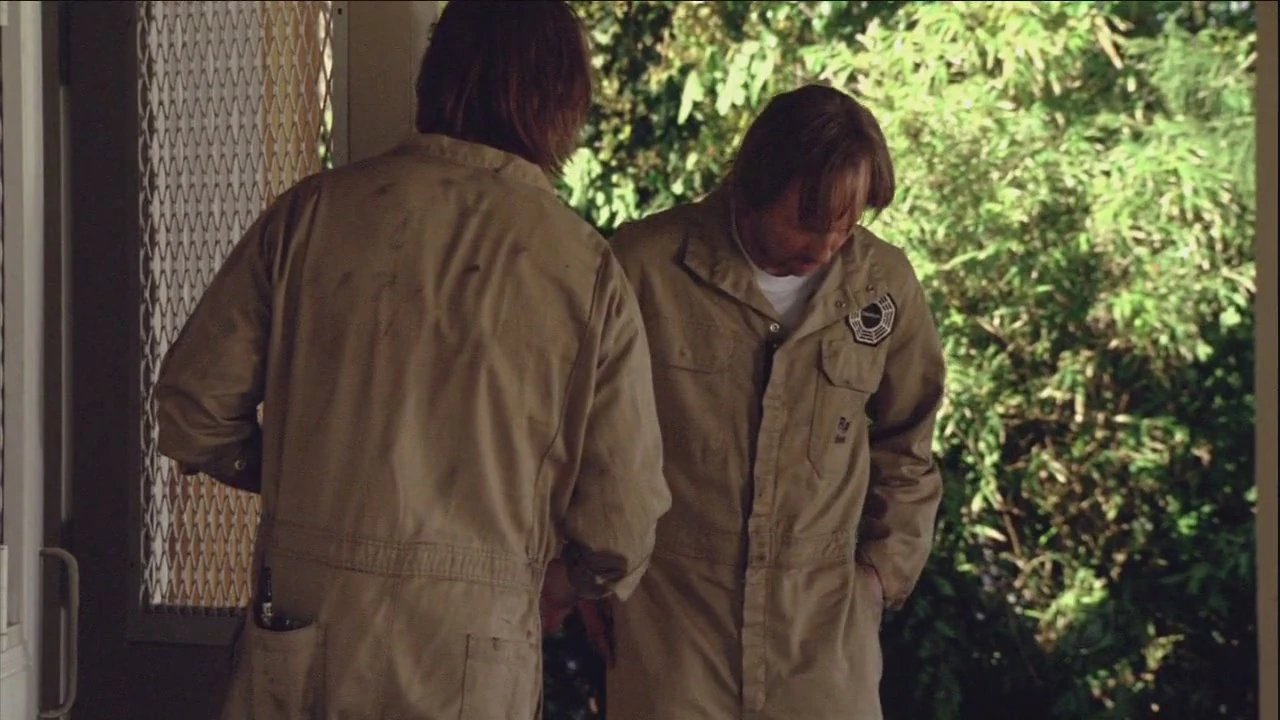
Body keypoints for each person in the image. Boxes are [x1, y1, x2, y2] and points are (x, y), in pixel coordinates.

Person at [153, 2, 670, 718]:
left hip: (305, 627)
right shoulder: (584, 270)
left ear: (435, 76)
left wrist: (306, 475)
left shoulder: (313, 216)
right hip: (474, 647)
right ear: (563, 101)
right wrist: (564, 583)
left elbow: (193, 414)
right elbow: (621, 524)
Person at [583, 84, 947, 719]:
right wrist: (588, 572)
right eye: (807, 222)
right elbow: (582, 434)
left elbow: (910, 441)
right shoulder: (644, 266)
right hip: (671, 633)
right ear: (754, 184)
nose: (825, 247)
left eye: (846, 226)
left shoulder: (883, 285)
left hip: (825, 642)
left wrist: (880, 575)